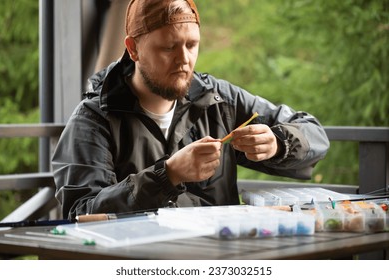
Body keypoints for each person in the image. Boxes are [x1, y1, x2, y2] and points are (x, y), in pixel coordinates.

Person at [52, 0, 330, 219]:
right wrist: (167, 174)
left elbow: (314, 134)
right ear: (133, 49)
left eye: (192, 45)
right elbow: (81, 214)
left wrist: (278, 144)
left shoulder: (219, 101)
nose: (184, 59)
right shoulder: (93, 120)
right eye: (169, 47)